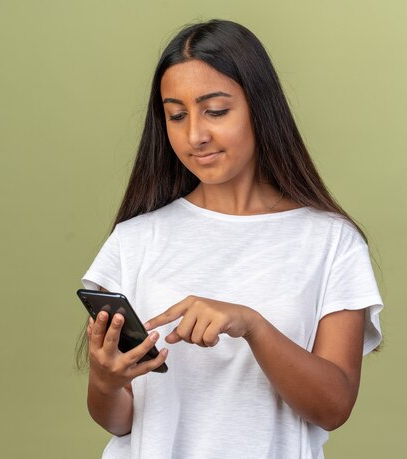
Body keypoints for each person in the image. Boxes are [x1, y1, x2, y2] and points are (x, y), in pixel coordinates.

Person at [79, 19, 383, 459]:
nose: (195, 135)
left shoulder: (332, 242)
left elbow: (333, 407)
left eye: (216, 111)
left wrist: (253, 326)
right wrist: (105, 381)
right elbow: (121, 421)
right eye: (176, 116)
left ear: (260, 107)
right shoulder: (133, 241)